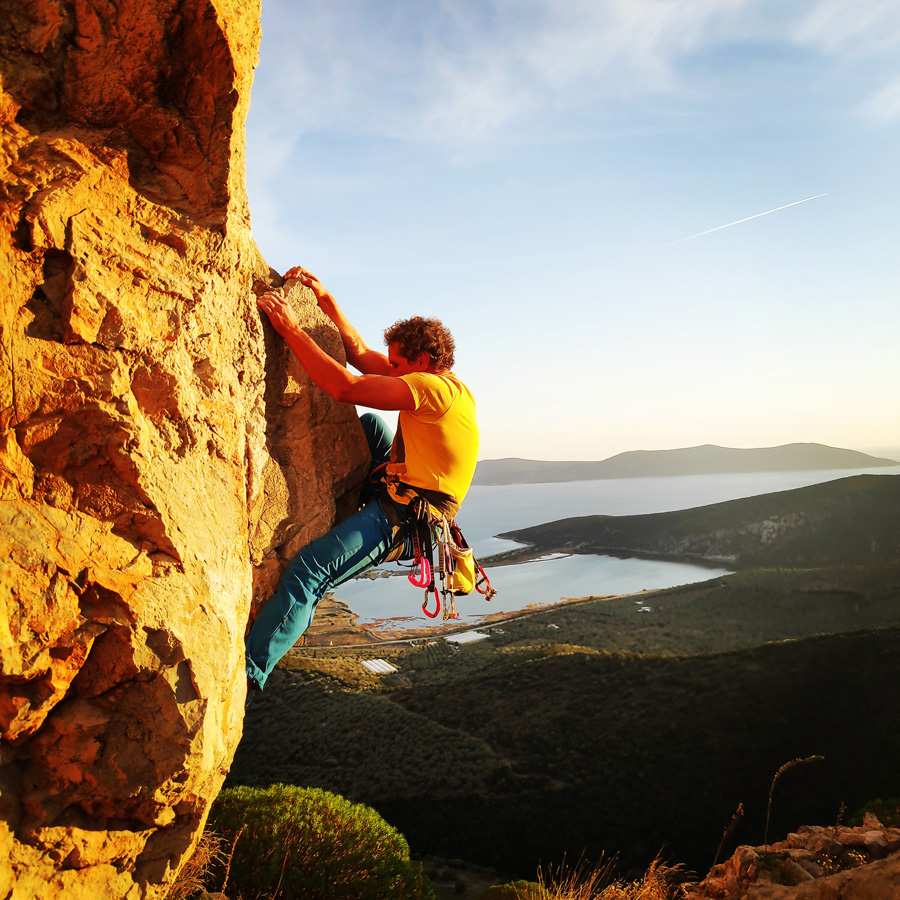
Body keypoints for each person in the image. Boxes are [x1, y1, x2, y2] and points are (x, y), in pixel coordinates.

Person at [246, 265, 479, 691]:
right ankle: (348, 505)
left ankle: (249, 671)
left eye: (396, 364)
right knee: (372, 426)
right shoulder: (437, 383)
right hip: (402, 486)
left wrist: (291, 330)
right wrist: (326, 299)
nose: (389, 369)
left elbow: (348, 388)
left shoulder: (433, 390)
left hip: (406, 515)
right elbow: (357, 352)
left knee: (309, 573)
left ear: (422, 362)